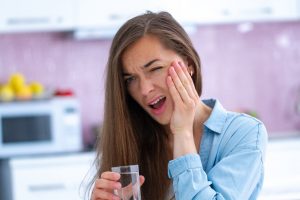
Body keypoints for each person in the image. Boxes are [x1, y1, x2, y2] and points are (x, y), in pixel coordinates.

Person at [90, 11, 268, 200]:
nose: (144, 89)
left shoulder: (244, 133)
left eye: (155, 68)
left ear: (189, 64)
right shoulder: (129, 140)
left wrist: (182, 132)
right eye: (130, 79)